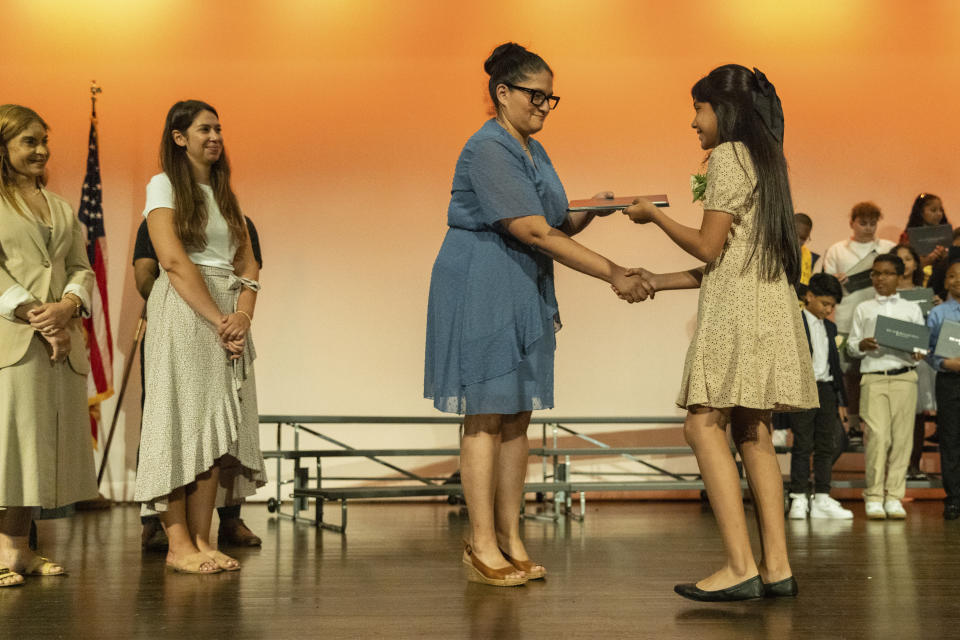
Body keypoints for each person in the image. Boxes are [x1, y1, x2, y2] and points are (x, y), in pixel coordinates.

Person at [424, 43, 652, 588]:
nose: (545, 106)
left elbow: (552, 220)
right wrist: (613, 271)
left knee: (518, 415)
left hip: (523, 283)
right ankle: (480, 542)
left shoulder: (532, 149)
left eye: (552, 98)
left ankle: (511, 535)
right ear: (502, 94)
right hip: (483, 280)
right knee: (485, 412)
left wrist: (591, 208)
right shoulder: (489, 148)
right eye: (536, 96)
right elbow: (530, 229)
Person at [621, 64, 816, 601]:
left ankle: (739, 565)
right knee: (753, 434)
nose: (693, 121)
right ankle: (776, 567)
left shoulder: (730, 156)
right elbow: (733, 259)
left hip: (737, 316)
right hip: (767, 307)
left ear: (723, 111)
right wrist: (657, 281)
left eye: (699, 108)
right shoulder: (768, 161)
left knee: (702, 426)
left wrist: (653, 216)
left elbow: (709, 247)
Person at [134, 100, 266, 574]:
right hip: (187, 310)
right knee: (178, 423)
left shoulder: (226, 193)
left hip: (226, 313)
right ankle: (176, 545)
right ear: (179, 137)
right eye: (204, 129)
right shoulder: (164, 185)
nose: (215, 137)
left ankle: (204, 539)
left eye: (219, 129)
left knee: (214, 429)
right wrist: (218, 319)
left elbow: (248, 263)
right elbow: (172, 260)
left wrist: (243, 316)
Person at [0, 104, 97, 587]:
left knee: (36, 451)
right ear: (3, 147)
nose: (41, 150)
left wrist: (68, 305)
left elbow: (82, 266)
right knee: (7, 449)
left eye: (44, 140)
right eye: (28, 142)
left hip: (59, 343)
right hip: (12, 342)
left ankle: (18, 549)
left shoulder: (58, 206)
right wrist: (30, 311)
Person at [133, 216, 264, 551]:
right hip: (176, 326)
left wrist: (238, 319)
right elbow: (145, 274)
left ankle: (229, 518)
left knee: (227, 420)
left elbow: (249, 274)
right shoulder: (161, 216)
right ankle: (158, 523)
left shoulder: (239, 219)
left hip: (225, 326)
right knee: (170, 420)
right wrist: (179, 300)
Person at [846, 254, 925, 520]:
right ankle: (875, 495)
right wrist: (861, 345)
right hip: (874, 376)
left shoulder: (911, 309)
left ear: (899, 276)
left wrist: (918, 352)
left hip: (905, 376)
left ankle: (894, 496)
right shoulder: (864, 308)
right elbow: (851, 345)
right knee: (878, 437)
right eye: (876, 274)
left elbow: (920, 344)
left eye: (887, 273)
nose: (880, 279)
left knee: (902, 439)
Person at [786, 274, 853, 520]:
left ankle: (822, 496)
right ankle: (799, 497)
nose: (828, 309)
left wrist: (842, 400)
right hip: (802, 388)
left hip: (825, 389)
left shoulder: (830, 327)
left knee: (827, 443)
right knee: (803, 443)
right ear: (809, 296)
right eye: (825, 303)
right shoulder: (794, 321)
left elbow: (835, 366)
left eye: (832, 306)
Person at [891, 244, 937, 479]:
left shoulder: (925, 293)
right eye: (899, 259)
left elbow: (929, 330)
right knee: (893, 415)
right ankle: (895, 467)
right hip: (891, 358)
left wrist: (936, 310)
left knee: (917, 415)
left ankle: (914, 465)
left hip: (918, 361)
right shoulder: (884, 294)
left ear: (916, 263)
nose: (904, 263)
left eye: (908, 259)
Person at [925, 259, 960, 520]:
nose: (957, 280)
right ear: (945, 281)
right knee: (950, 440)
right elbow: (926, 349)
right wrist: (943, 361)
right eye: (951, 276)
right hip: (949, 381)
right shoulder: (937, 313)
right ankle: (954, 499)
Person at [899, 192, 949, 268]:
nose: (939, 214)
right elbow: (903, 264)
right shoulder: (908, 237)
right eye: (933, 210)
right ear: (921, 212)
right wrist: (927, 260)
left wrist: (946, 256)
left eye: (941, 210)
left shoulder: (947, 234)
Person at [795, 212, 819, 287]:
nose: (798, 241)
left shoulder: (811, 258)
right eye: (795, 235)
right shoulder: (773, 253)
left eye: (803, 238)